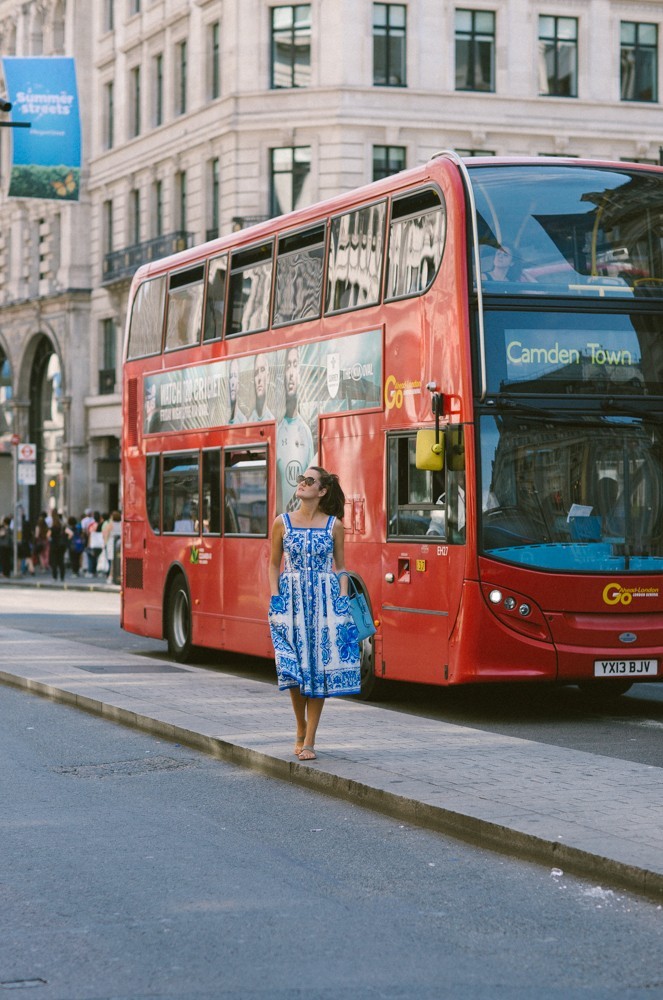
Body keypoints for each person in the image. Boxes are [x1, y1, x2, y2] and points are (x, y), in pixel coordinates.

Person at [268, 466, 361, 762]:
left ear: (321, 491)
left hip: (325, 601)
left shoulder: (334, 525)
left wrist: (343, 596)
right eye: (301, 480)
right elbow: (273, 564)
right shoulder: (281, 523)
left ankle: (309, 740)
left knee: (319, 669)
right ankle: (299, 726)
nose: (303, 484)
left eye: (310, 481)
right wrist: (274, 596)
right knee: (293, 668)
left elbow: (341, 566)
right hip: (291, 600)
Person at [276, 346, 314, 512]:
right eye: (288, 366)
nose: (291, 372)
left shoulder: (306, 432)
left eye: (295, 365)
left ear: (300, 374)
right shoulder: (276, 432)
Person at [249, 352, 274, 421]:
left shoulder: (272, 420)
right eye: (256, 372)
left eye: (262, 370)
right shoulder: (248, 422)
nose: (259, 378)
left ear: (268, 377)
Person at [48, 510, 66, 581]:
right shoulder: (62, 525)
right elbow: (69, 533)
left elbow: (48, 535)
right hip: (61, 545)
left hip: (54, 545)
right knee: (61, 561)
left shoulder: (52, 526)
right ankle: (62, 577)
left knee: (54, 561)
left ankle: (55, 577)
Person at [228, 358, 247, 424]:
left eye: (235, 376)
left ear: (238, 384)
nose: (233, 383)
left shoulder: (242, 420)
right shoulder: (224, 419)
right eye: (230, 377)